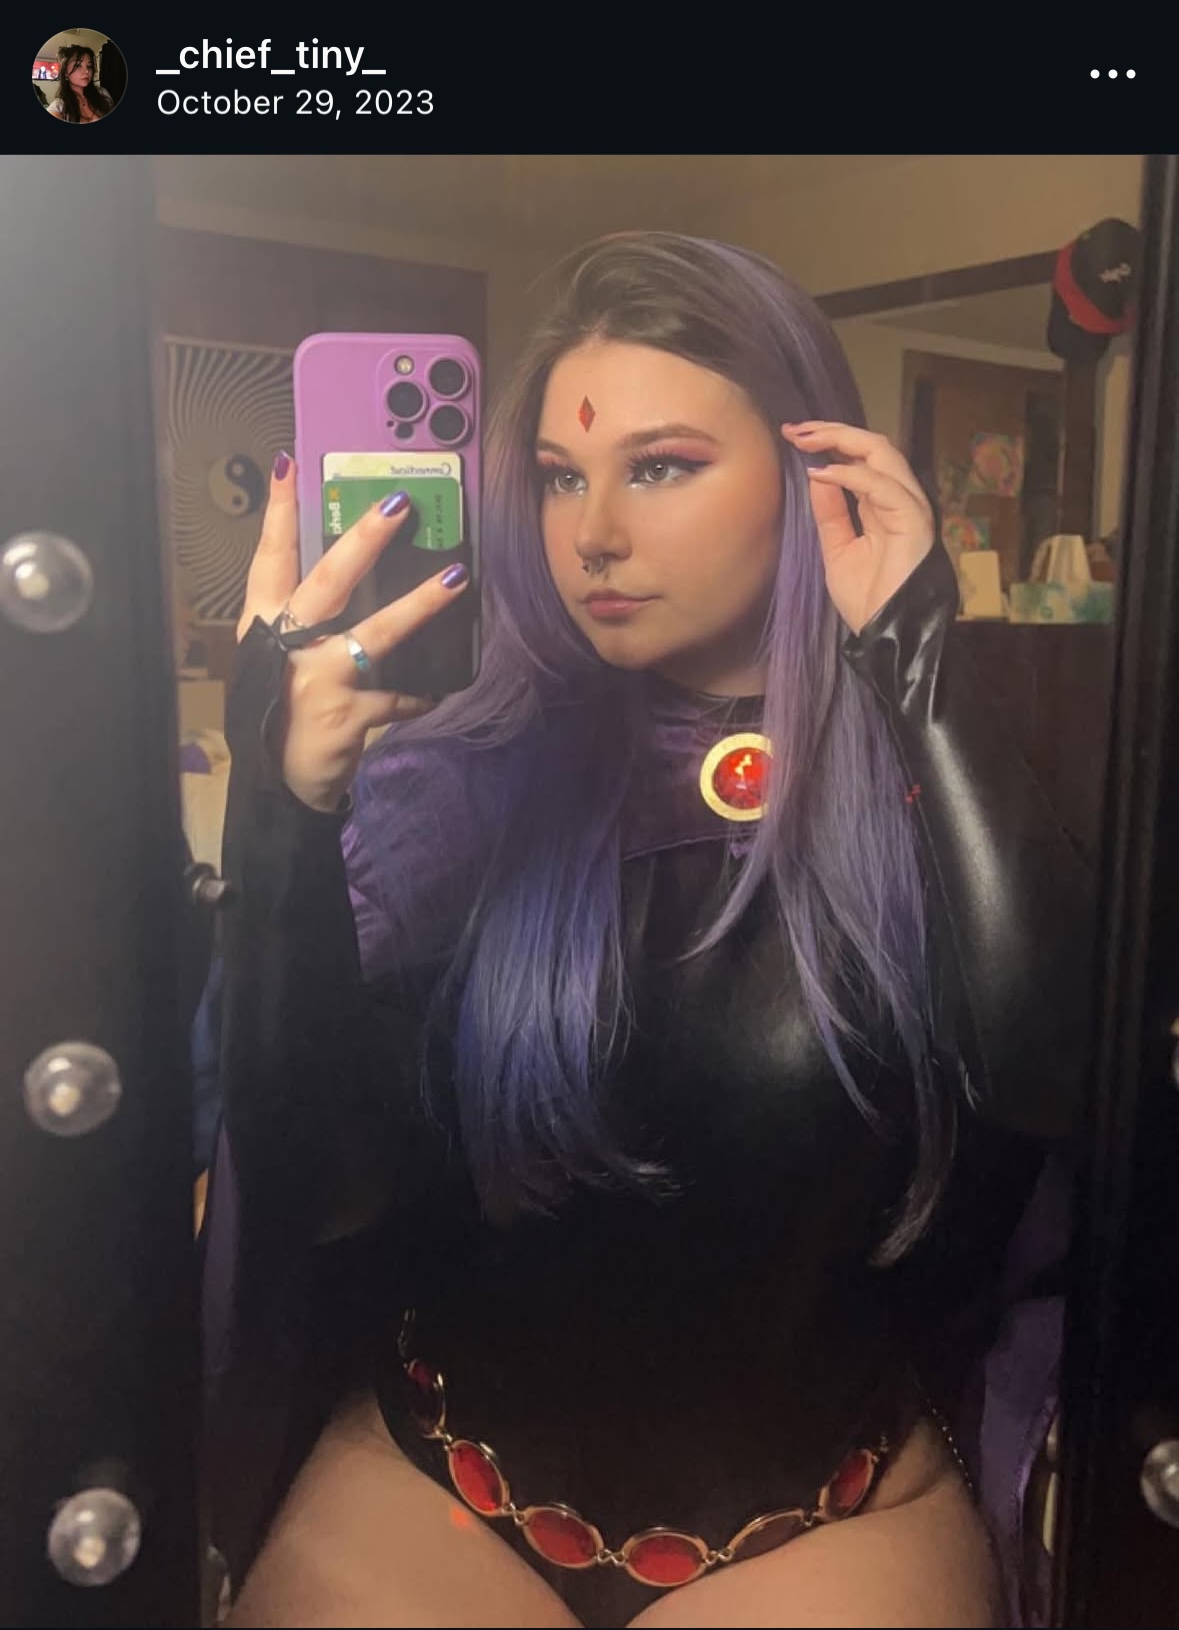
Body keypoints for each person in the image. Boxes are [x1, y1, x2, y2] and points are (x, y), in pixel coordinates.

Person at [204, 233, 1091, 1628]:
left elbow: (1057, 1083)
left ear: (813, 474)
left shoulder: (934, 783)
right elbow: (317, 1183)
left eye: (661, 466)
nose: (593, 534)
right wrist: (282, 817)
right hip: (445, 1490)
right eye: (562, 476)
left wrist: (920, 663)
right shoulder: (456, 779)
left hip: (821, 1520)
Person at [44, 45, 112, 123]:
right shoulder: (59, 105)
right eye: (78, 65)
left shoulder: (102, 93)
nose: (87, 71)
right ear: (65, 72)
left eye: (89, 66)